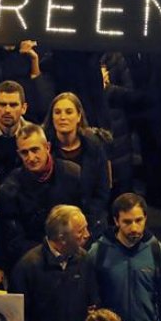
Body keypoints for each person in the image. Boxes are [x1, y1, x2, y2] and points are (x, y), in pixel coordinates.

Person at [0, 123, 85, 263]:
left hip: (72, 251)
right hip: (32, 259)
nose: (31, 158)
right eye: (24, 152)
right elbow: (13, 239)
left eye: (35, 150)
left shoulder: (73, 174)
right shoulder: (10, 188)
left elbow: (88, 216)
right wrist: (50, 253)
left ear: (47, 147)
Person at [89, 193, 161, 321]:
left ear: (146, 218)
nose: (134, 228)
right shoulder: (99, 252)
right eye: (127, 222)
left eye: (139, 220)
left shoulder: (158, 252)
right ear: (116, 221)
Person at [10, 205, 99, 321]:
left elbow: (93, 302)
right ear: (62, 238)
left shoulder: (85, 259)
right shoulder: (27, 266)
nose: (87, 235)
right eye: (80, 231)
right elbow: (18, 318)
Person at [43, 92, 111, 237]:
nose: (62, 117)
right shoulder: (43, 147)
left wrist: (84, 220)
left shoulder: (94, 147)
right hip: (54, 220)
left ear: (79, 116)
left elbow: (102, 190)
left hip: (89, 219)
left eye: (69, 112)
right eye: (57, 112)